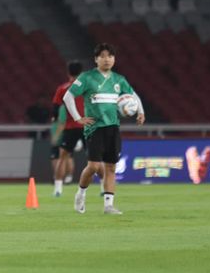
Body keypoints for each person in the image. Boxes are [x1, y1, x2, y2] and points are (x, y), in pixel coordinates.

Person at [63, 43, 145, 215]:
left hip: (113, 127)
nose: (107, 59)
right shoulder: (87, 77)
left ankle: (108, 205)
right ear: (96, 59)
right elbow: (68, 96)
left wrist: (140, 111)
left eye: (110, 56)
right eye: (103, 56)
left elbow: (133, 94)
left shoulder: (119, 79)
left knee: (111, 168)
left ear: (114, 59)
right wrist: (78, 118)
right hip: (95, 128)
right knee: (93, 167)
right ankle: (81, 193)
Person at [51, 61, 85, 196]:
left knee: (62, 157)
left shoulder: (62, 88)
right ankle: (103, 188)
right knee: (95, 159)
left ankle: (58, 189)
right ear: (81, 73)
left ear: (68, 73)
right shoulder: (88, 87)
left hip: (70, 127)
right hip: (87, 126)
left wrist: (54, 117)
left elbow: (55, 107)